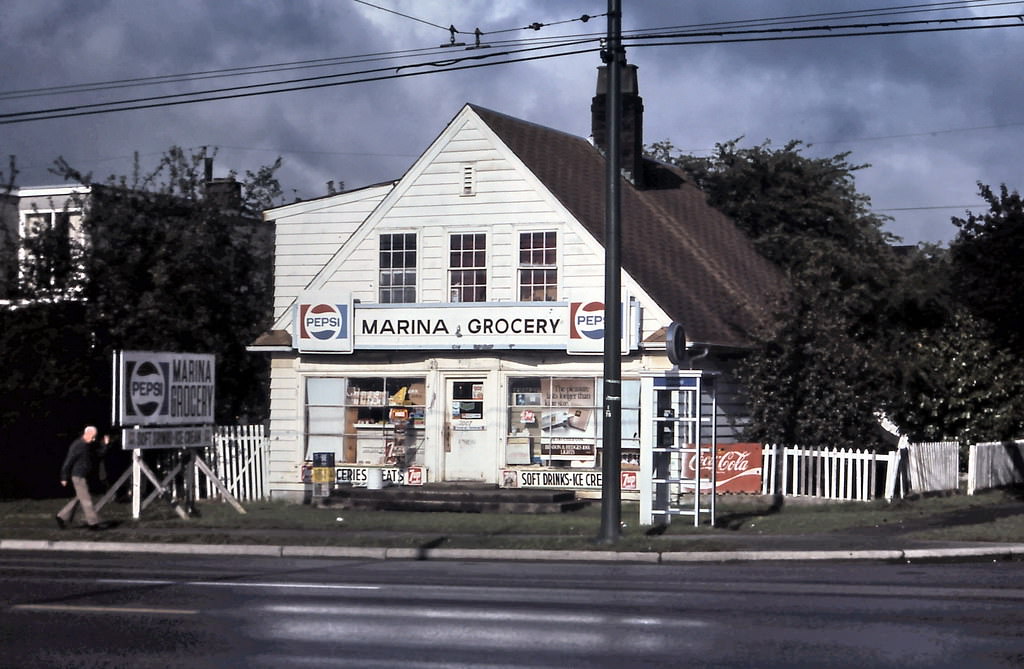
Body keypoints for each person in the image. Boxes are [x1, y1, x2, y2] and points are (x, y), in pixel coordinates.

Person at [56, 426, 110, 530]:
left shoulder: (88, 445)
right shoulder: (77, 445)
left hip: (84, 476)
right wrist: (64, 476)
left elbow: (98, 455)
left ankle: (61, 516)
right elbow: (68, 461)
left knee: (80, 498)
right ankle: (93, 523)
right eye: (93, 437)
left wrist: (105, 445)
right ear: (88, 434)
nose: (94, 439)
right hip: (78, 476)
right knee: (86, 500)